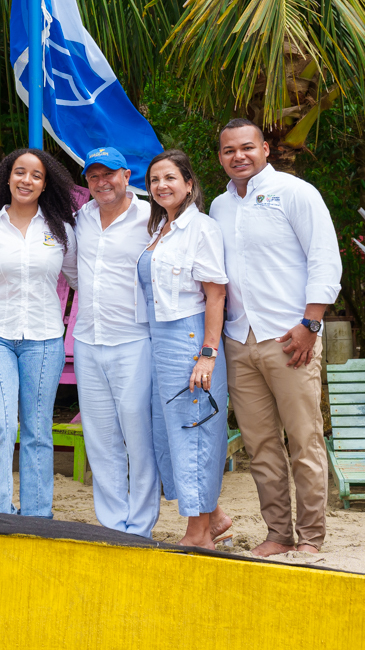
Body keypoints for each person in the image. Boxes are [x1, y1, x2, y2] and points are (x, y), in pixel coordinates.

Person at [209, 119, 340, 556]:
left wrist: (311, 324)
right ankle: (279, 534)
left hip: (290, 337)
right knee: (260, 446)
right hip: (238, 339)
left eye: (247, 148)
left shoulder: (295, 193)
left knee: (304, 440)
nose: (238, 156)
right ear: (221, 156)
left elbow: (324, 257)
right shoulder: (218, 207)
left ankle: (312, 538)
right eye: (229, 151)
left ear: (265, 148)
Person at [0, 148, 77, 518]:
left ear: (45, 184)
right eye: (19, 172)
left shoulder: (61, 229)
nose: (26, 180)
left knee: (38, 431)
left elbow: (78, 280)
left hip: (45, 341)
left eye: (36, 175)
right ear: (7, 178)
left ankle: (37, 515)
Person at [142, 149, 232, 548]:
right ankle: (214, 515)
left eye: (170, 178)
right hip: (159, 341)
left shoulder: (202, 228)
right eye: (155, 180)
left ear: (189, 184)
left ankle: (198, 532)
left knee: (194, 432)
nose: (161, 185)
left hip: (191, 339)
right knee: (169, 432)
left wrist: (207, 355)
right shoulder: (160, 229)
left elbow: (216, 295)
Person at [72, 146, 158, 537]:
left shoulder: (151, 217)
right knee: (100, 437)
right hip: (88, 341)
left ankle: (139, 527)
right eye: (94, 176)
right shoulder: (80, 219)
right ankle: (112, 525)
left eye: (109, 174)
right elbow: (74, 271)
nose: (102, 182)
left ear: (127, 175)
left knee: (138, 436)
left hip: (134, 341)